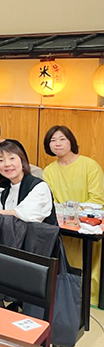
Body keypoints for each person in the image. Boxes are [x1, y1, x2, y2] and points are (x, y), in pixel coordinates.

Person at [43, 125, 104, 304]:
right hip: (62, 228)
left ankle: (88, 299)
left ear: (71, 141)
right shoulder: (49, 170)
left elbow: (97, 199)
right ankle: (66, 296)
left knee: (88, 262)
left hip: (88, 226)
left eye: (62, 139)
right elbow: (49, 200)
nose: (57, 144)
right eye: (52, 140)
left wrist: (75, 214)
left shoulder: (89, 165)